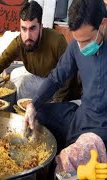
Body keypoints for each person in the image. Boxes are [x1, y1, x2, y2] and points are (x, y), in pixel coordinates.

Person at [24, 0, 107, 151]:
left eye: (87, 41)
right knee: (39, 114)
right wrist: (33, 104)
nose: (81, 48)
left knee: (85, 154)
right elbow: (57, 77)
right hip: (82, 115)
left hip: (102, 126)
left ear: (103, 24)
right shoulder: (77, 45)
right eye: (77, 40)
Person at [0, 1, 79, 102]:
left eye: (32, 28)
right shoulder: (19, 42)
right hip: (44, 81)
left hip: (65, 90)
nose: (27, 36)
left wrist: (57, 105)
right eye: (24, 29)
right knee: (23, 82)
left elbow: (68, 76)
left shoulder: (57, 41)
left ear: (41, 27)